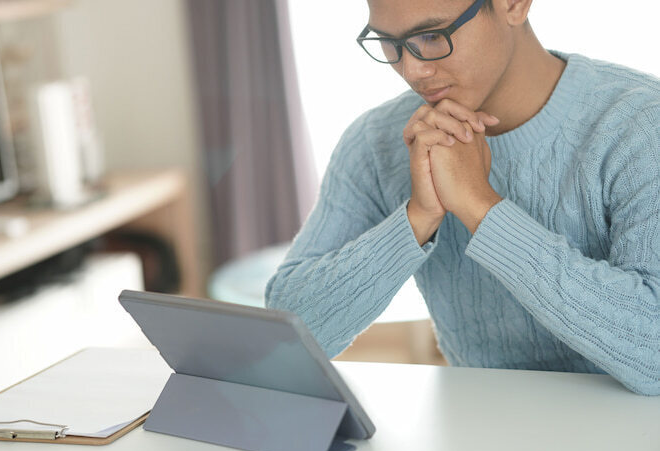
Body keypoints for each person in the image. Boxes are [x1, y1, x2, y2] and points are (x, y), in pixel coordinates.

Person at [265, 0, 660, 395]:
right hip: (476, 435)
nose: (412, 69)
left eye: (432, 36)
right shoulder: (377, 142)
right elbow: (285, 338)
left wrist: (480, 208)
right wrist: (417, 217)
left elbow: (654, 354)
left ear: (513, 5)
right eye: (389, 43)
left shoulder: (641, 125)